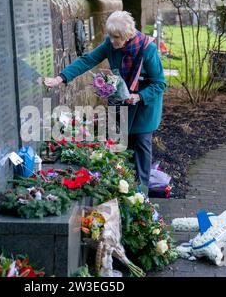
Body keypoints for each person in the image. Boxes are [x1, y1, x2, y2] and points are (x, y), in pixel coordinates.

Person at [44, 11, 166, 190]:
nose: (112, 40)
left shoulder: (148, 49)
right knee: (122, 148)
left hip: (144, 108)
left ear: (128, 35)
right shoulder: (111, 44)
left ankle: (142, 195)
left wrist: (139, 96)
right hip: (122, 104)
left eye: (116, 37)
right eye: (110, 36)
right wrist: (60, 78)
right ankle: (125, 191)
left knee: (140, 147)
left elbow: (160, 83)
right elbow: (87, 60)